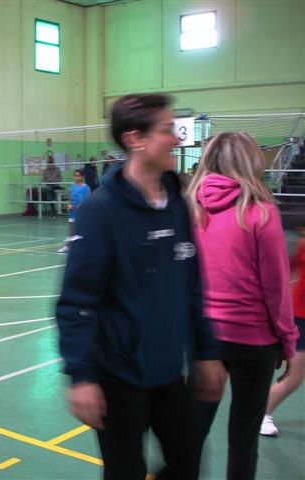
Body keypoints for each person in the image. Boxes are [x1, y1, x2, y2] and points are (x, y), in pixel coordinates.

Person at [56, 93, 225, 480]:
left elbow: (192, 284)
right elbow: (76, 302)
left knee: (187, 462)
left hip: (169, 371)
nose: (177, 139)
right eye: (167, 130)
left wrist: (205, 352)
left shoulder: (176, 203)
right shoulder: (101, 210)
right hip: (117, 376)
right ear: (135, 139)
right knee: (125, 471)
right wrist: (82, 375)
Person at [186, 132, 298, 479]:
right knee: (244, 435)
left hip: (205, 339)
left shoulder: (190, 210)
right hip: (253, 341)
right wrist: (288, 342)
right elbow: (276, 288)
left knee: (191, 432)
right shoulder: (261, 213)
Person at [261, 217, 305, 436]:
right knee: (294, 378)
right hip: (301, 318)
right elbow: (285, 272)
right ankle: (263, 414)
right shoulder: (302, 246)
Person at [58, 169, 90, 254]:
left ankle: (85, 246)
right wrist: (69, 205)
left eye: (78, 176)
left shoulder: (86, 187)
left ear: (82, 177)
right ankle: (67, 246)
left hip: (81, 211)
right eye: (75, 176)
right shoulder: (72, 186)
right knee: (71, 229)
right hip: (72, 211)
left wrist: (79, 206)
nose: (76, 177)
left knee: (81, 229)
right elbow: (70, 197)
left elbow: (87, 200)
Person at [41, 153, 62, 217]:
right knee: (50, 191)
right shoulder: (45, 170)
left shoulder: (57, 169)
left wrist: (54, 180)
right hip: (49, 186)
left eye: (51, 163)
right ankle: (53, 211)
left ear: (53, 163)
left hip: (56, 186)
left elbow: (60, 178)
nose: (50, 165)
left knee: (50, 193)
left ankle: (53, 211)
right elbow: (43, 179)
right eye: (49, 163)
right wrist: (47, 180)